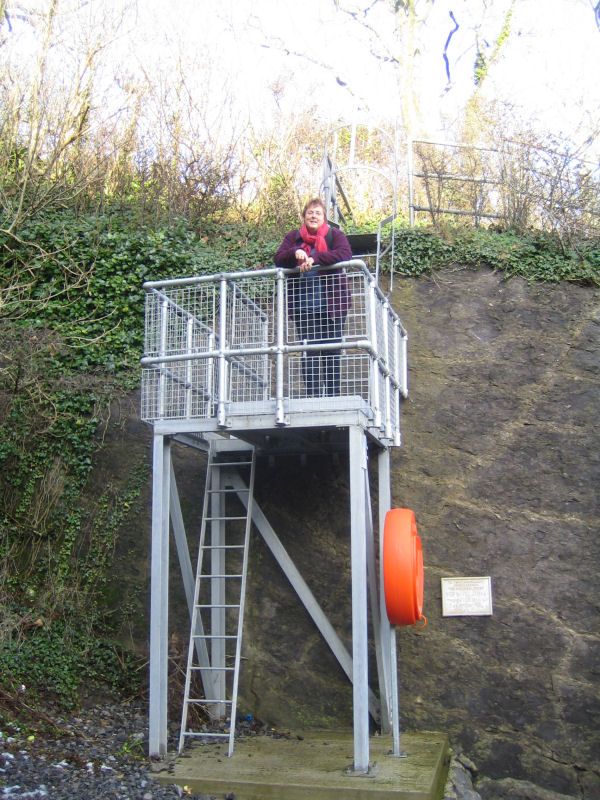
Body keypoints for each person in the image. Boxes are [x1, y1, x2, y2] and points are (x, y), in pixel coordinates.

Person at [275, 198, 352, 397]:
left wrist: (315, 258)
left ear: (324, 217)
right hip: (304, 307)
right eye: (310, 212)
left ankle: (332, 397)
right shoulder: (293, 237)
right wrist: (296, 253)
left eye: (318, 213)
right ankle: (313, 398)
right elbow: (278, 258)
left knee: (332, 352)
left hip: (332, 306)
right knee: (309, 351)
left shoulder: (334, 235)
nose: (313, 216)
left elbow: (345, 253)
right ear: (303, 216)